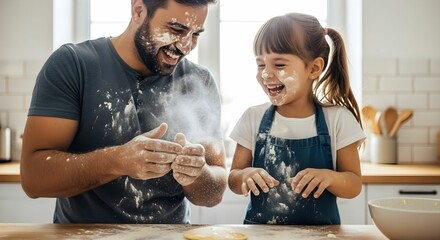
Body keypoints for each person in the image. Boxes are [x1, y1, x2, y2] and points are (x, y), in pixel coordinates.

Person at [20, 0, 227, 224]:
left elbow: (213, 194)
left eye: (195, 34)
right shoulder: (73, 65)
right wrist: (118, 161)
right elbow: (33, 178)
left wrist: (197, 173)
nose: (186, 47)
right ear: (138, 10)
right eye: (176, 29)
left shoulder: (199, 81)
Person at [228, 12, 365, 225]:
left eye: (279, 65)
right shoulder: (252, 118)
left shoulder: (338, 120)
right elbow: (233, 178)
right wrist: (245, 175)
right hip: (262, 236)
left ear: (314, 68)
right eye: (261, 64)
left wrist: (330, 177)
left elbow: (354, 184)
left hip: (321, 237)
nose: (265, 74)